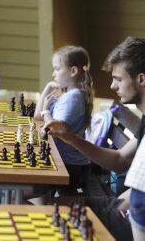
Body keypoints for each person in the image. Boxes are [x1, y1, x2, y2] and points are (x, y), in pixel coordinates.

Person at [44, 36, 145, 241]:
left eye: (118, 79)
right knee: (50, 206)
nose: (112, 86)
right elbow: (119, 160)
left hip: (133, 217)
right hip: (126, 204)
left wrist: (124, 207)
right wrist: (70, 138)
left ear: (141, 79)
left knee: (48, 216)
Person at [34, 46, 94, 194]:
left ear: (73, 71)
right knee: (25, 193)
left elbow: (54, 130)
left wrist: (46, 110)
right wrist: (47, 88)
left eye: (57, 69)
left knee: (19, 192)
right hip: (65, 162)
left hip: (70, 166)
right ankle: (46, 209)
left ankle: (46, 211)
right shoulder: (69, 95)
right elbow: (37, 117)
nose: (54, 74)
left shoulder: (73, 98)